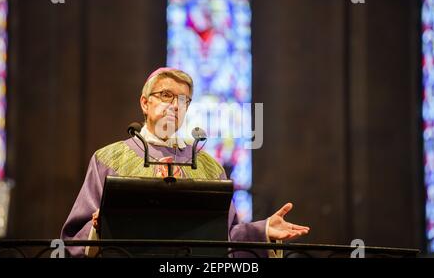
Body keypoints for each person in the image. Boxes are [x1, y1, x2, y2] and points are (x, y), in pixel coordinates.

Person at [60, 67, 310, 257]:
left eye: (183, 100)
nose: (174, 106)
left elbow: (225, 237)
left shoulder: (209, 166)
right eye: (166, 95)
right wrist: (100, 226)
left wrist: (263, 230)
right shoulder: (107, 159)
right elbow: (74, 237)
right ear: (145, 103)